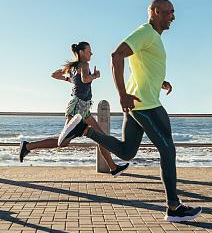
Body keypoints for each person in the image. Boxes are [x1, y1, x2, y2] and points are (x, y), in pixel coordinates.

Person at [57, 0, 202, 222]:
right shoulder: (145, 32)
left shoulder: (152, 37)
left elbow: (144, 66)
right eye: (169, 12)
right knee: (168, 150)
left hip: (140, 101)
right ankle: (173, 207)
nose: (173, 16)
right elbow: (116, 56)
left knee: (126, 152)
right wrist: (122, 94)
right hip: (145, 104)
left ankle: (83, 131)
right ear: (155, 12)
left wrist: (159, 82)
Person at [18, 42, 129, 176]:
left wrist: (71, 79)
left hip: (84, 108)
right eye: (89, 51)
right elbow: (85, 79)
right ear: (81, 52)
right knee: (62, 142)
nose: (91, 54)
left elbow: (55, 75)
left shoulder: (74, 67)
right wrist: (95, 76)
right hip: (77, 107)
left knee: (101, 138)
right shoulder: (84, 65)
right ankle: (28, 146)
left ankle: (113, 168)